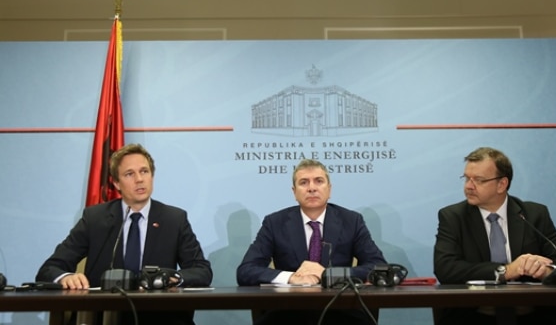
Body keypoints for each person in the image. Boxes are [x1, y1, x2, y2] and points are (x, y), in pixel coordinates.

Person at [36, 143, 212, 325]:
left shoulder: (174, 219)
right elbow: (49, 269)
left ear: (152, 175)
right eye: (130, 174)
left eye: (144, 171)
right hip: (103, 317)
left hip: (159, 317)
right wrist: (67, 277)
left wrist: (176, 279)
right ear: (116, 183)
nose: (139, 179)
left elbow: (201, 270)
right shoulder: (95, 219)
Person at [434, 147, 556, 325]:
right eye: (466, 179)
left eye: (478, 180)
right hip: (474, 316)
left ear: (502, 184)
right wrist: (506, 271)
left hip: (535, 315)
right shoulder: (453, 217)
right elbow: (446, 268)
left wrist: (546, 271)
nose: (468, 186)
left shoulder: (533, 214)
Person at [237, 158, 387, 325]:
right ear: (294, 192)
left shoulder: (351, 221)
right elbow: (246, 271)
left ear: (329, 190)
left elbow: (377, 267)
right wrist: (291, 277)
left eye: (319, 181)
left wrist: (328, 275)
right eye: (304, 182)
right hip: (289, 311)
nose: (312, 188)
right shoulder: (275, 223)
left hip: (340, 310)